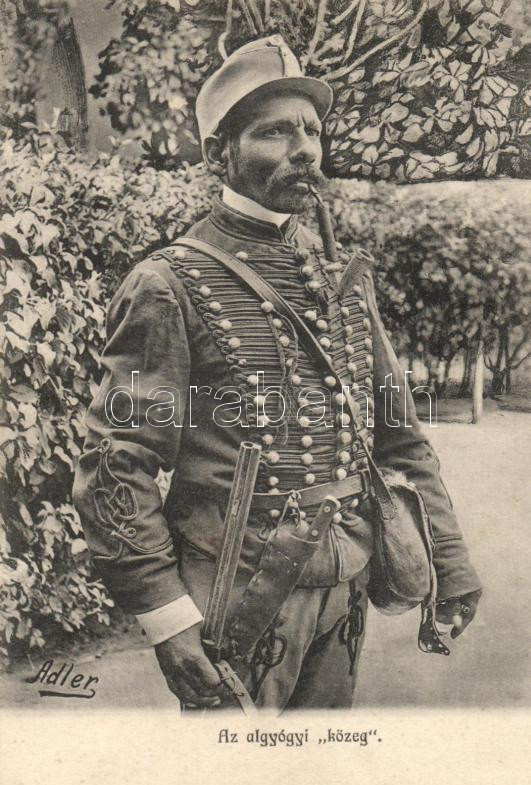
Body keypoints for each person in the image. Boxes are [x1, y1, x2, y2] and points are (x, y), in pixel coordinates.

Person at [73, 35, 481, 711]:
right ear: (218, 154)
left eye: (312, 130)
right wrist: (165, 616)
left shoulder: (341, 275)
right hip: (234, 589)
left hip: (346, 580)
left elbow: (398, 433)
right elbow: (117, 463)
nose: (304, 149)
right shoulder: (166, 283)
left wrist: (450, 559)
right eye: (274, 132)